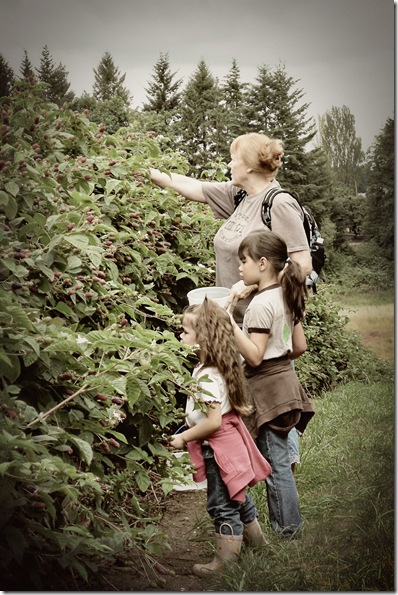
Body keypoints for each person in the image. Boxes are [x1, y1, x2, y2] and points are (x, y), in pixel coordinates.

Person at [150, 132, 312, 471]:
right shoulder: (238, 196)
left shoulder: (278, 203)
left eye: (233, 158)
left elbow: (301, 263)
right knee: (247, 387)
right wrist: (148, 172)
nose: (228, 164)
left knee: (273, 389)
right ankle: (261, 463)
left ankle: (284, 465)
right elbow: (192, 186)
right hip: (234, 314)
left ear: (250, 166)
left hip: (263, 314)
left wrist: (251, 288)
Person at [169, 298, 272, 577]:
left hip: (219, 449)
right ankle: (259, 546)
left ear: (203, 337)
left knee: (221, 504)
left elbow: (213, 422)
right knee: (237, 497)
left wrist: (183, 437)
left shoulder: (210, 376)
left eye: (185, 332)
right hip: (228, 444)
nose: (181, 335)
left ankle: (224, 564)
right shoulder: (211, 367)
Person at [228, 230, 315, 538]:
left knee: (277, 463)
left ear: (263, 263)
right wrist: (279, 355)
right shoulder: (285, 294)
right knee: (277, 459)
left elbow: (253, 356)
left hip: (267, 388)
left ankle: (288, 530)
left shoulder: (262, 304)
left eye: (244, 261)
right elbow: (299, 346)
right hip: (285, 383)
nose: (240, 268)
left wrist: (229, 325)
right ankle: (285, 526)